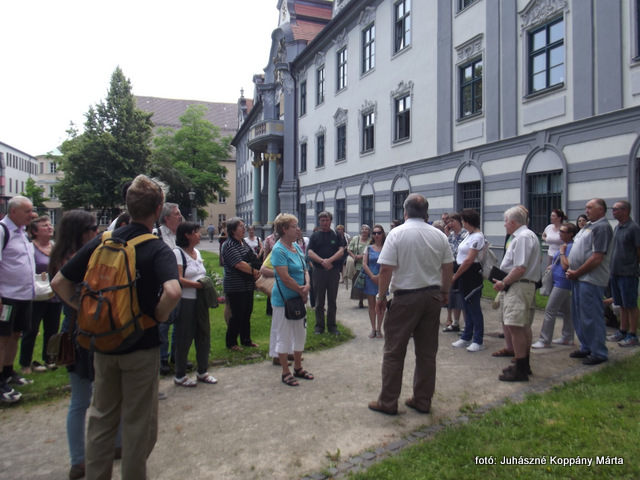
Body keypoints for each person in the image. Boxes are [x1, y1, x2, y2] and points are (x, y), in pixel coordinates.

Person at [51, 175, 182, 479]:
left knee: (101, 419)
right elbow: (173, 292)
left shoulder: (104, 240)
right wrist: (157, 317)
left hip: (104, 344)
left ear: (128, 205)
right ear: (158, 208)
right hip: (141, 346)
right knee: (138, 424)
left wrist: (85, 311)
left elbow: (59, 282)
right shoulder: (156, 247)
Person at [48, 210, 121, 480]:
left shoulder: (67, 255)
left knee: (104, 393)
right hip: (84, 332)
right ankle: (80, 459)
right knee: (84, 398)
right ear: (79, 231)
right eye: (92, 227)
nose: (96, 231)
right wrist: (86, 308)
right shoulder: (70, 259)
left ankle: (110, 446)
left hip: (88, 328)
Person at [368, 194, 453, 415]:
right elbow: (448, 267)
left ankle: (388, 402)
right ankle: (423, 400)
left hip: (405, 298)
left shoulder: (397, 234)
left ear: (405, 213)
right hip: (432, 296)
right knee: (427, 353)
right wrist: (444, 291)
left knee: (394, 351)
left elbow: (385, 269)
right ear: (426, 213)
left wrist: (380, 297)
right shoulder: (439, 235)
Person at [492, 206, 541, 381]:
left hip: (518, 286)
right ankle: (523, 364)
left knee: (516, 326)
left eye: (505, 221)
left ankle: (520, 369)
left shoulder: (522, 237)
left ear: (512, 222)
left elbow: (520, 267)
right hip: (521, 285)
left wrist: (504, 282)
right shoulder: (525, 236)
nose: (504, 225)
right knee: (522, 326)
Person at [566, 198, 613, 365]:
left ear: (601, 210)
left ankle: (599, 352)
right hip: (579, 278)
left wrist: (577, 272)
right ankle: (586, 346)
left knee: (591, 315)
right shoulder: (588, 226)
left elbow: (597, 257)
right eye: (586, 207)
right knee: (579, 314)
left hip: (590, 279)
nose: (586, 210)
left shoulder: (602, 227)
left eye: (590, 207)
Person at [173, 222, 218, 387]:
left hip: (200, 301)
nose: (199, 235)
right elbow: (178, 278)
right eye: (196, 232)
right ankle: (180, 375)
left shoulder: (197, 252)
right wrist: (199, 285)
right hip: (186, 301)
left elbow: (200, 273)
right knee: (184, 337)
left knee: (203, 336)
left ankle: (202, 371)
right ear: (187, 235)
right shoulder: (178, 254)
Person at [0, 195, 36, 404]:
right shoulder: (3, 231)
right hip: (7, 296)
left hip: (23, 295)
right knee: (2, 337)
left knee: (15, 335)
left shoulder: (22, 233)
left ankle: (8, 372)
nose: (31, 215)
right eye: (27, 211)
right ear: (13, 212)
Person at [271, 214, 313, 387]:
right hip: (284, 301)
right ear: (284, 229)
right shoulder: (278, 250)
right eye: (294, 226)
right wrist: (301, 290)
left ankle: (298, 367)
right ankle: (285, 372)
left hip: (299, 297)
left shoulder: (296, 246)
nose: (298, 228)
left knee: (300, 334)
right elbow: (285, 277)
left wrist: (308, 285)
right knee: (284, 335)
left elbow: (305, 269)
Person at [19, 216, 61, 374]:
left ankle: (49, 359)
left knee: (52, 330)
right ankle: (25, 363)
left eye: (50, 224)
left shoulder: (55, 247)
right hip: (36, 295)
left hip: (54, 295)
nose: (50, 227)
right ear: (35, 231)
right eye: (45, 226)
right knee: (31, 330)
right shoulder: (30, 248)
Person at [531, 222, 577, 349]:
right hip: (558, 281)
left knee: (550, 310)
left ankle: (545, 340)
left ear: (571, 234)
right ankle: (567, 337)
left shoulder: (570, 247)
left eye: (563, 232)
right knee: (568, 311)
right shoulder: (565, 245)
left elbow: (566, 266)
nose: (560, 233)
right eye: (560, 231)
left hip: (562, 283)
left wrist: (562, 253)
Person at [221, 217, 260, 351]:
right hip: (235, 286)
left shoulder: (243, 242)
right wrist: (254, 271)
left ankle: (246, 340)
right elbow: (239, 264)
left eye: (244, 226)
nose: (244, 228)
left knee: (247, 313)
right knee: (237, 315)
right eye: (241, 226)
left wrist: (255, 267)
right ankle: (231, 342)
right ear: (232, 230)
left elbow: (252, 257)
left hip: (247, 285)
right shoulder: (229, 244)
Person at [451, 209, 486, 352]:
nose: (462, 223)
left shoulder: (478, 237)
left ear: (467, 221)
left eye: (463, 220)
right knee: (467, 306)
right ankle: (467, 336)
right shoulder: (468, 235)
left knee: (474, 307)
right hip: (463, 273)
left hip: (471, 274)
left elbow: (469, 260)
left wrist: (455, 275)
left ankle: (478, 339)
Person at [606, 201, 640, 347]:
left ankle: (633, 334)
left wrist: (632, 266)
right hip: (616, 271)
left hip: (628, 272)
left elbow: (638, 250)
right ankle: (622, 330)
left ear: (625, 211)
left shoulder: (633, 228)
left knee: (630, 304)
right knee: (622, 304)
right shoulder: (618, 227)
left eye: (616, 209)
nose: (613, 211)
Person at [307, 211, 345, 335]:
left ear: (330, 221)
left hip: (333, 271)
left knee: (332, 300)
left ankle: (332, 326)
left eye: (327, 220)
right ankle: (319, 326)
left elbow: (341, 251)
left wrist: (330, 260)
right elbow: (310, 252)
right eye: (322, 220)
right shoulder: (315, 236)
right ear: (319, 222)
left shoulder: (336, 236)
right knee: (319, 301)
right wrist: (323, 261)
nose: (325, 222)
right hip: (319, 271)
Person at [156, 202, 183, 376]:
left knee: (179, 323)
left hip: (178, 284)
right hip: (164, 287)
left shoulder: (177, 236)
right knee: (164, 325)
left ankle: (176, 356)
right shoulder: (157, 235)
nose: (180, 216)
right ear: (167, 218)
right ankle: (162, 359)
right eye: (177, 214)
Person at [443, 213, 467, 333]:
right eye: (449, 222)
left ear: (459, 221)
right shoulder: (451, 235)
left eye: (452, 221)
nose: (450, 224)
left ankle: (466, 325)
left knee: (462, 298)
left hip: (463, 269)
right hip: (452, 269)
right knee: (454, 297)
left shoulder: (466, 234)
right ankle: (455, 322)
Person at [362, 225, 386, 338]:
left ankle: (380, 329)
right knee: (371, 305)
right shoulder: (368, 248)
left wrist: (380, 276)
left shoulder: (387, 248)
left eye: (379, 232)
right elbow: (364, 263)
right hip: (370, 279)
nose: (377, 235)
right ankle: (373, 328)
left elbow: (388, 263)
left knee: (381, 305)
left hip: (383, 279)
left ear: (382, 234)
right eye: (374, 233)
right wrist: (372, 276)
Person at [348, 224, 371, 308]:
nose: (364, 231)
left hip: (368, 265)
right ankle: (360, 301)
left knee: (367, 283)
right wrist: (354, 256)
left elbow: (372, 251)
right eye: (362, 229)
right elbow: (349, 249)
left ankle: (369, 300)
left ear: (369, 232)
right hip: (357, 265)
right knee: (358, 283)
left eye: (366, 229)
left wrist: (362, 256)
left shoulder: (371, 241)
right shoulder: (355, 239)